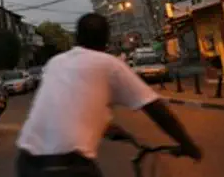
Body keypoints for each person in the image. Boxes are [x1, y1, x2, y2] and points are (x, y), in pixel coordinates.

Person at [16, 13, 202, 177]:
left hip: (27, 163)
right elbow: (156, 108)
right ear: (106, 40)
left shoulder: (55, 62)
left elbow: (68, 107)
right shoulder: (109, 64)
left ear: (76, 38)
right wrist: (188, 145)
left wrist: (112, 130)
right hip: (70, 168)